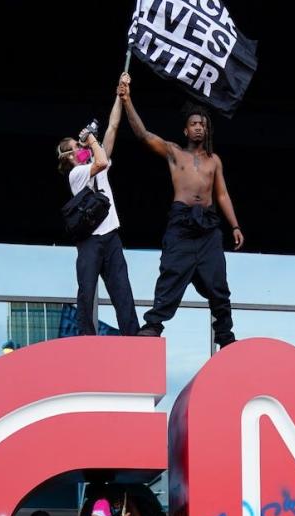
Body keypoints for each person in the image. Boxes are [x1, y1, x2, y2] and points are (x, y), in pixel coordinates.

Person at [120, 77, 244, 346]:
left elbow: (222, 194)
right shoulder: (174, 153)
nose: (199, 127)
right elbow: (143, 134)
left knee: (218, 284)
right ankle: (153, 325)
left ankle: (225, 336)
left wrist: (234, 225)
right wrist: (127, 100)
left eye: (202, 124)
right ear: (185, 130)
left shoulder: (214, 160)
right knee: (172, 274)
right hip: (181, 225)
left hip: (209, 227)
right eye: (194, 124)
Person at [54, 74, 139, 337]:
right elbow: (100, 162)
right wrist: (90, 140)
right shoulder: (76, 174)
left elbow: (112, 128)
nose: (81, 147)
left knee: (122, 290)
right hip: (90, 241)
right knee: (86, 290)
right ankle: (85, 338)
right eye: (75, 147)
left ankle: (133, 336)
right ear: (68, 157)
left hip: (111, 237)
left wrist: (120, 95)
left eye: (79, 144)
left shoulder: (94, 157)